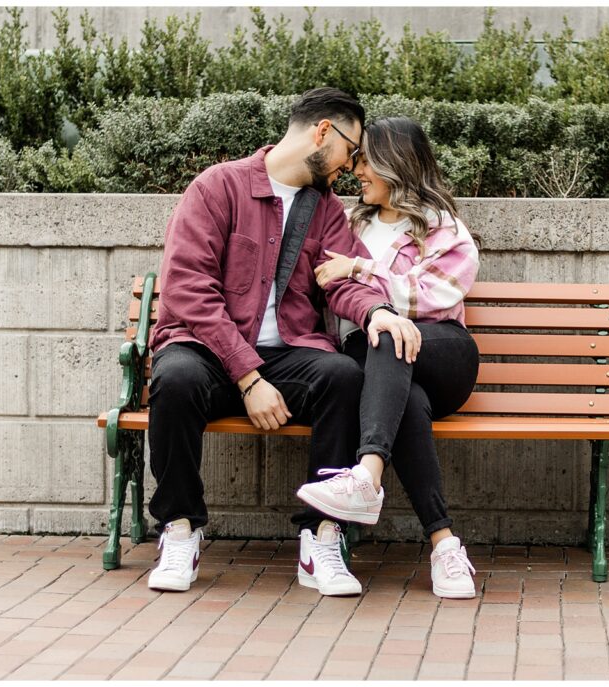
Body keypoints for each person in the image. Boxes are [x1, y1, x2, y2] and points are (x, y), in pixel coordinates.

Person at [145, 88, 421, 596]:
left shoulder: (325, 210)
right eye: (350, 150)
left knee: (342, 377)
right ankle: (180, 527)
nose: (351, 165)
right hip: (209, 350)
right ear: (322, 133)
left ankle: (322, 535)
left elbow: (343, 280)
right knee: (175, 379)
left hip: (290, 354)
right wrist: (249, 377)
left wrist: (377, 311)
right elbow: (188, 289)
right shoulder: (217, 187)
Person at [295, 117, 482, 599]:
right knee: (404, 396)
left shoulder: (445, 228)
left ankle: (367, 475)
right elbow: (332, 289)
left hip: (443, 352)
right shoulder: (349, 222)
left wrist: (361, 267)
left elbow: (430, 297)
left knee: (390, 332)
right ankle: (444, 545)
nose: (356, 169)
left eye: (365, 159)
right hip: (383, 372)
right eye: (355, 159)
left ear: (396, 163)